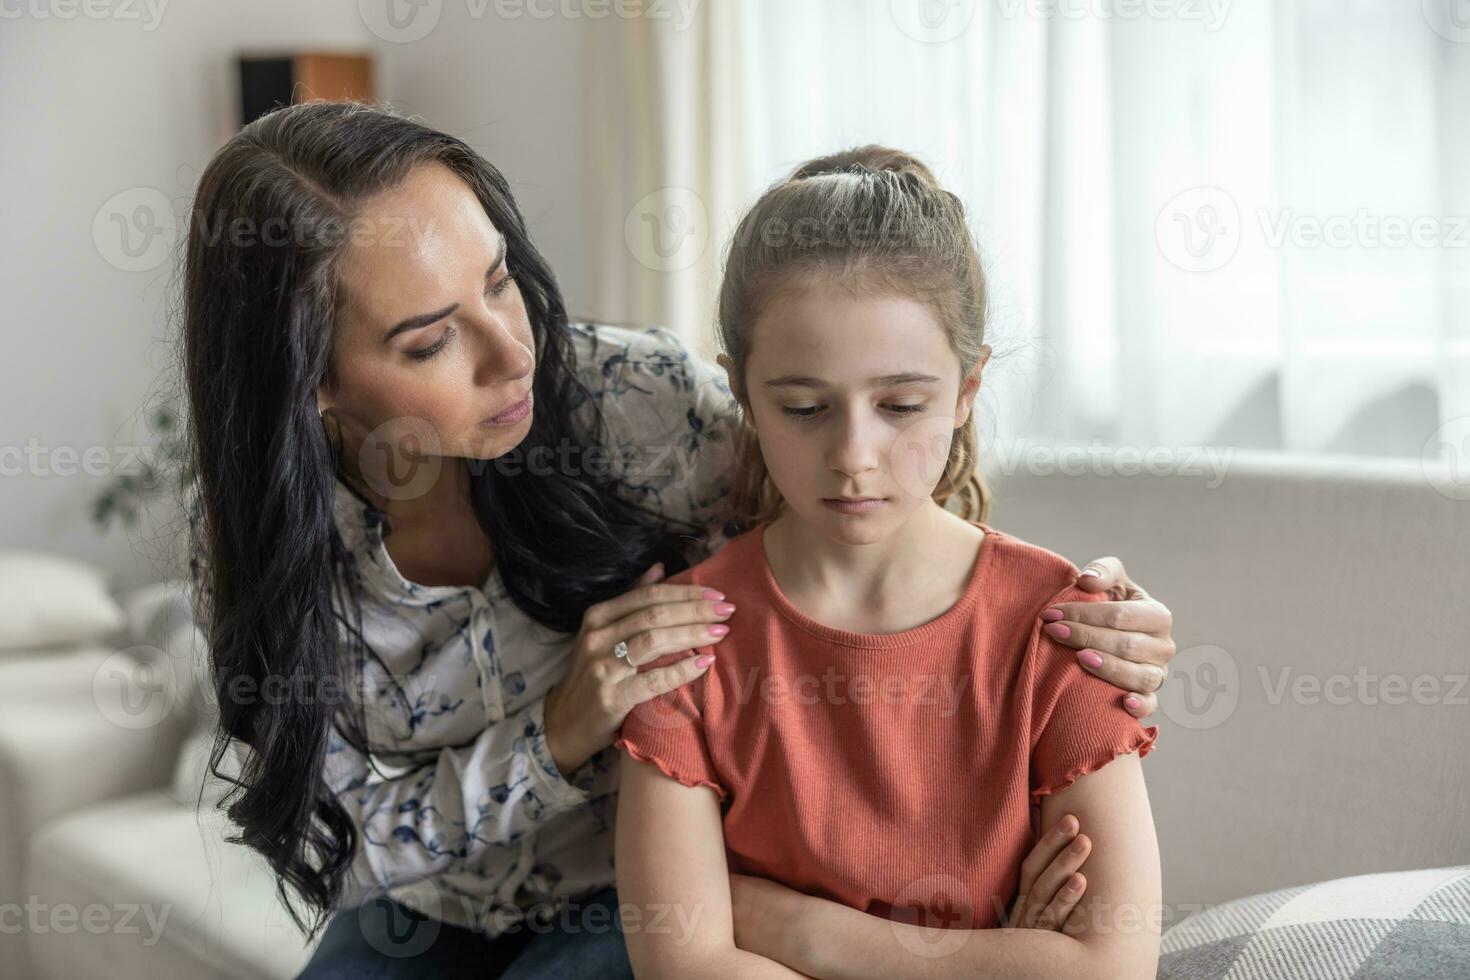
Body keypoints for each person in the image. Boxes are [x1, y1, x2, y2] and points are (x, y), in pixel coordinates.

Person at [179, 102, 1176, 978]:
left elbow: (859, 509)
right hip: (435, 900)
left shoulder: (641, 404)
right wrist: (559, 733)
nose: (513, 349)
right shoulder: (288, 549)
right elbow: (338, 845)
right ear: (312, 380)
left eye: (500, 279)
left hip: (646, 881)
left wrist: (1094, 623)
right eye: (431, 339)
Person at [614, 147, 1162, 977]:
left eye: (902, 406)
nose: (853, 455)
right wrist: (993, 958)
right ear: (742, 393)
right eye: (803, 407)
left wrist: (791, 930)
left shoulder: (1062, 627)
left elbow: (1109, 969)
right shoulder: (688, 644)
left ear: (968, 389)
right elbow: (684, 968)